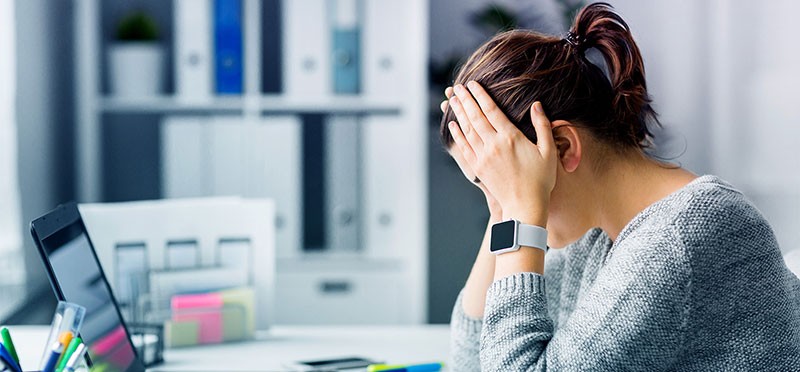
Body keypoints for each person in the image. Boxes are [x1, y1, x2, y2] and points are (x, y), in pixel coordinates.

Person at [439, 2, 800, 371]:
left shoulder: (679, 238)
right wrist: (504, 211)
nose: (500, 200)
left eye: (500, 180)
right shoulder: (597, 234)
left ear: (562, 148)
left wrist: (519, 208)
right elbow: (469, 362)